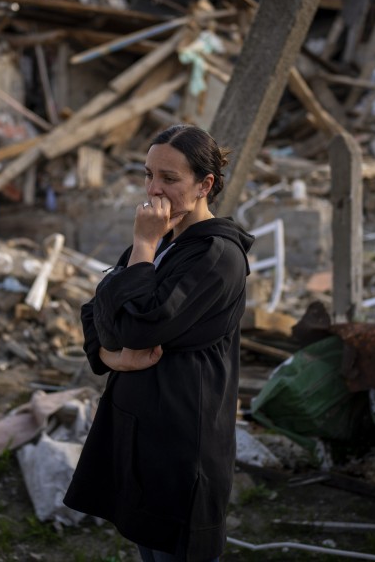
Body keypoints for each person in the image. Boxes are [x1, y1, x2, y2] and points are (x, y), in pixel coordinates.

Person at [64, 124, 254, 562]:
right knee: (146, 545)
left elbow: (138, 326)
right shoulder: (166, 241)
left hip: (182, 442)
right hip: (139, 431)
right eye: (149, 174)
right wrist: (111, 355)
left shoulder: (217, 256)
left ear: (205, 184)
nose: (154, 189)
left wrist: (143, 245)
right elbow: (95, 311)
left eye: (169, 179)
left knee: (175, 548)